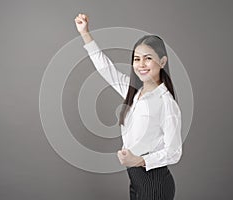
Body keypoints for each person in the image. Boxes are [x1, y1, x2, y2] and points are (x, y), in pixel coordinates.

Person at [74, 13, 182, 200]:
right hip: (136, 179)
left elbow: (174, 153)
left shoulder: (166, 103)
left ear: (162, 62)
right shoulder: (133, 92)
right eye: (136, 59)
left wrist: (139, 160)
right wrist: (85, 33)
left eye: (148, 58)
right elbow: (105, 68)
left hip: (155, 183)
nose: (141, 65)